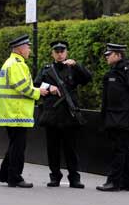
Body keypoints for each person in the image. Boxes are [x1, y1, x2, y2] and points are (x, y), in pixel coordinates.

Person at [34, 40, 92, 188]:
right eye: (57, 52)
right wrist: (49, 87)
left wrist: (76, 65)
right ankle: (55, 176)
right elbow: (36, 84)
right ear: (52, 53)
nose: (60, 54)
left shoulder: (72, 68)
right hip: (52, 114)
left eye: (62, 51)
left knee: (71, 148)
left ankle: (74, 178)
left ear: (66, 52)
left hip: (68, 114)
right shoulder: (47, 69)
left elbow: (87, 78)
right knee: (52, 148)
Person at [0, 34, 49, 188]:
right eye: (27, 47)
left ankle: (4, 174)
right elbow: (23, 87)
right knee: (18, 147)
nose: (29, 50)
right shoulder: (16, 64)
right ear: (19, 49)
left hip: (11, 112)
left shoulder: (10, 63)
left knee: (14, 144)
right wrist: (39, 92)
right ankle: (15, 177)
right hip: (16, 113)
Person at [96, 43, 129, 192]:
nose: (106, 56)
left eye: (109, 54)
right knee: (124, 149)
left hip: (124, 119)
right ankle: (127, 182)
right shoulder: (112, 73)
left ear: (118, 55)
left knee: (119, 150)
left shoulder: (128, 71)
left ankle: (113, 181)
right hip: (114, 118)